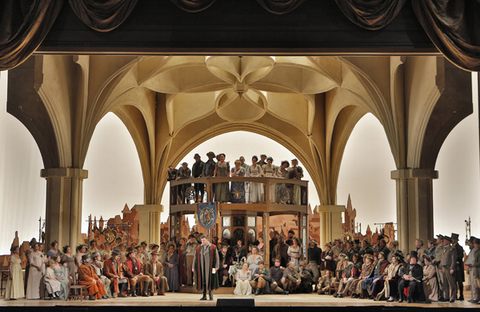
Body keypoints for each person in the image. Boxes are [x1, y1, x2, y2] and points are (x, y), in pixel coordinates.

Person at [193, 235, 220, 300]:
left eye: (204, 240)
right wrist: (193, 267)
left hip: (210, 267)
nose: (203, 241)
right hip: (201, 267)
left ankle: (211, 296)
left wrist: (217, 266)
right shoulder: (199, 247)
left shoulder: (213, 247)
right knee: (203, 281)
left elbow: (217, 257)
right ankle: (204, 295)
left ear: (207, 240)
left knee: (211, 281)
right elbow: (195, 258)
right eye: (202, 240)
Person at [440, 235, 457, 303]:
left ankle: (453, 297)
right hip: (444, 267)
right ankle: (446, 296)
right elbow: (442, 258)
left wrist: (452, 268)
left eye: (444, 240)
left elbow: (453, 259)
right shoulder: (443, 249)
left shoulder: (451, 248)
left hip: (448, 267)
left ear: (448, 241)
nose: (443, 241)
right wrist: (440, 267)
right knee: (445, 283)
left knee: (451, 283)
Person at [451, 232, 465, 300]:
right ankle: (455, 295)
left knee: (459, 282)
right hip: (453, 266)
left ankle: (461, 295)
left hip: (458, 266)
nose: (452, 240)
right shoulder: (451, 247)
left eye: (453, 239)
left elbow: (460, 256)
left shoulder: (459, 247)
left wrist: (454, 258)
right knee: (454, 281)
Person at [466, 236, 479, 303]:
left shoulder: (476, 251)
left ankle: (475, 297)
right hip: (471, 267)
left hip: (474, 268)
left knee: (475, 284)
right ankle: (473, 297)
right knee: (472, 283)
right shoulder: (472, 250)